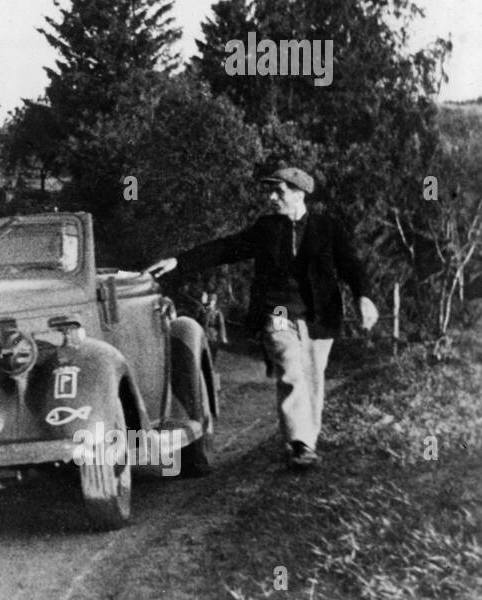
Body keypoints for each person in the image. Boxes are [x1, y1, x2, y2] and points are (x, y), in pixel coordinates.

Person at [145, 167, 378, 470]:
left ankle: (307, 440)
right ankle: (299, 443)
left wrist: (364, 295)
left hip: (318, 316)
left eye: (278, 191)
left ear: (299, 193)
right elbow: (226, 248)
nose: (271, 197)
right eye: (271, 191)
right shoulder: (267, 228)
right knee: (290, 367)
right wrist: (180, 261)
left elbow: (351, 265)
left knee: (313, 378)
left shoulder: (327, 228)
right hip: (279, 312)